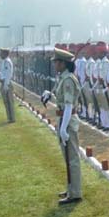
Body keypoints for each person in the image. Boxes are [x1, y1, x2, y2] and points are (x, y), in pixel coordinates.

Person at [42, 48, 82, 205]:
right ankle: (71, 188)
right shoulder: (62, 78)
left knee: (72, 158)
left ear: (63, 63)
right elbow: (58, 96)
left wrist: (64, 128)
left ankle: (75, 193)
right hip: (63, 118)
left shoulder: (68, 80)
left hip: (68, 120)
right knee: (67, 157)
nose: (54, 64)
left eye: (57, 62)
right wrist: (48, 94)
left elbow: (68, 105)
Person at [0, 48, 15, 122]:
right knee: (6, 101)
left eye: (1, 53)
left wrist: (6, 85)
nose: (0, 54)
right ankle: (9, 118)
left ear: (5, 53)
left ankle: (12, 118)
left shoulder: (7, 62)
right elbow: (3, 73)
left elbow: (8, 74)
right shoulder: (3, 61)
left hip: (7, 83)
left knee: (10, 101)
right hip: (3, 83)